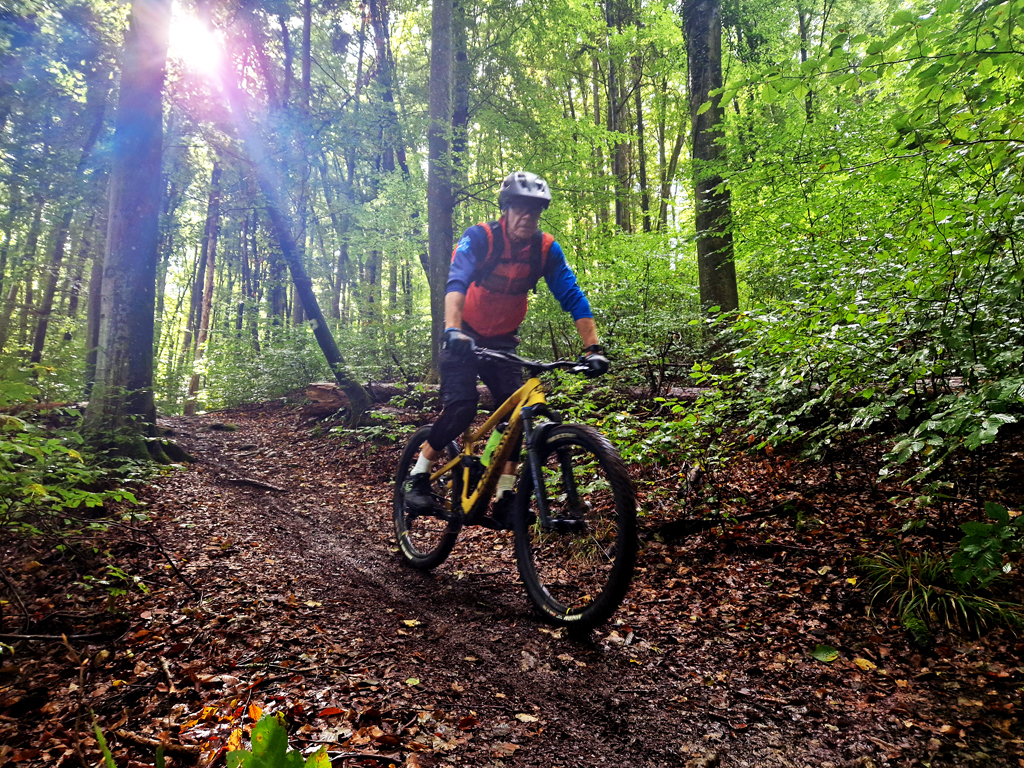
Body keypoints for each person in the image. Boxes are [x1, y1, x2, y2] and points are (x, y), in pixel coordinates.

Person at [404, 171, 609, 529]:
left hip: (502, 339)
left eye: (535, 210)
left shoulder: (545, 250)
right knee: (462, 407)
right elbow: (457, 281)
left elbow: (572, 295)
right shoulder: (479, 238)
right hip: (463, 334)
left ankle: (504, 496)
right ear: (506, 209)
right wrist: (453, 330)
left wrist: (593, 348)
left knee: (519, 414)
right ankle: (419, 474)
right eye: (520, 208)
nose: (527, 216)